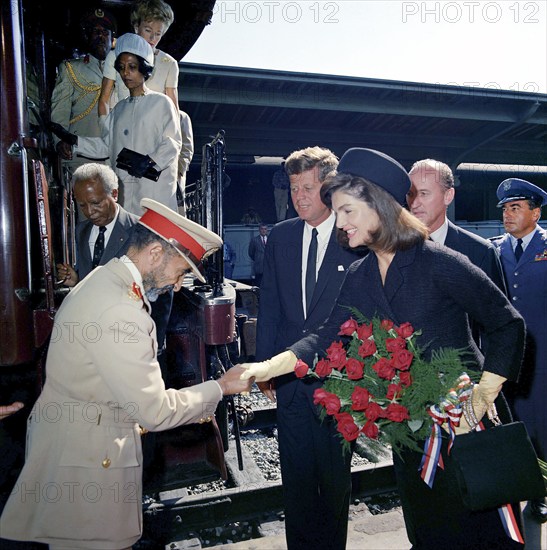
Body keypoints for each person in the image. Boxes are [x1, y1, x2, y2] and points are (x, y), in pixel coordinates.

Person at [241, 148, 526, 549]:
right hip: (410, 430)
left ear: (379, 205)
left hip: (466, 425)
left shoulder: (439, 262)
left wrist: (482, 394)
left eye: (347, 212)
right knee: (427, 529)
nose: (340, 224)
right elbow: (327, 337)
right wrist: (268, 367)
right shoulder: (361, 273)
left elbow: (507, 324)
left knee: (476, 532)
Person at [0, 198, 254, 549]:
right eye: (179, 271)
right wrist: (221, 387)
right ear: (154, 253)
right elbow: (154, 410)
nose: (177, 285)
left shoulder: (101, 280)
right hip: (91, 460)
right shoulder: (123, 312)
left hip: (71, 448)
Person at [254, 146, 361, 550]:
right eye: (294, 187)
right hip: (289, 379)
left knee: (333, 481)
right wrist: (265, 364)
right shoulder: (280, 237)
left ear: (329, 188)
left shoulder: (352, 238)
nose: (299, 196)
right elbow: (271, 305)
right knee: (296, 478)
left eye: (308, 187)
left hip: (338, 382)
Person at [55, 33, 182, 215]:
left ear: (144, 68)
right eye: (121, 68)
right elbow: (107, 146)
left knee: (152, 241)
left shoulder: (161, 103)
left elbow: (173, 143)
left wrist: (150, 161)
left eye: (132, 67)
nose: (125, 73)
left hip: (154, 193)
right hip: (123, 196)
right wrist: (75, 142)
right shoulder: (118, 110)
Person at [491, 177, 547, 523]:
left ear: (535, 213)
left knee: (542, 425)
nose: (508, 215)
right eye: (505, 210)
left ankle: (541, 493)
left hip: (544, 358)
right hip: (505, 357)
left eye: (516, 208)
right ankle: (513, 489)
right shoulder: (494, 249)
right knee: (510, 423)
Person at [408, 158, 506, 292]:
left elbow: (496, 312)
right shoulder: (389, 249)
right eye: (410, 194)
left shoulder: (480, 253)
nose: (414, 203)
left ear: (448, 196)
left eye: (424, 194)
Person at [50, 7, 117, 174]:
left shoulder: (124, 72)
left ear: (112, 38)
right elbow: (60, 112)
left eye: (105, 32)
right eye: (95, 31)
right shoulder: (71, 68)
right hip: (81, 156)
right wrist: (60, 141)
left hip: (116, 157)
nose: (101, 36)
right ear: (87, 36)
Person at [56, 163, 138, 287]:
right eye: (82, 205)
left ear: (114, 194)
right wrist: (76, 282)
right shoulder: (80, 231)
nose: (89, 212)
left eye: (96, 203)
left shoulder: (141, 231)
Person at [97, 0, 178, 118]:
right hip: (122, 126)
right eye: (148, 30)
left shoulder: (169, 63)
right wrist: (107, 132)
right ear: (136, 27)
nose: (152, 38)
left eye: (158, 33)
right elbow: (104, 100)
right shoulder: (115, 56)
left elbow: (173, 108)